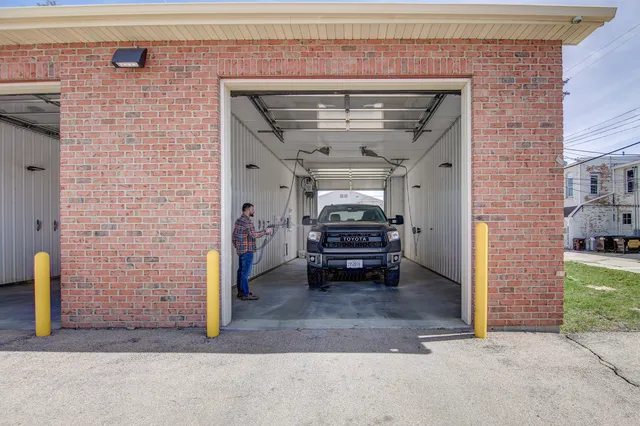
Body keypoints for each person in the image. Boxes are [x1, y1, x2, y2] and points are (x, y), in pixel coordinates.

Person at [232, 203, 273, 300]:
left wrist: (238, 246)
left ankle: (241, 292)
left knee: (241, 272)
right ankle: (245, 294)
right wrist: (265, 232)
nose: (253, 211)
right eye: (252, 209)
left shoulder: (239, 221)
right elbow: (254, 235)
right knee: (245, 273)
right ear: (247, 210)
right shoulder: (247, 222)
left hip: (241, 250)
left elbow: (234, 236)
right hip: (247, 251)